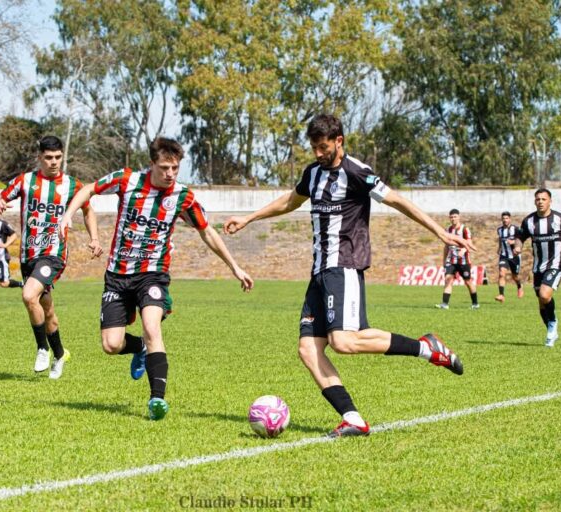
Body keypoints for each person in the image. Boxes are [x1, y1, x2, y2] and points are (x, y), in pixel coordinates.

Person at [224, 114, 471, 438]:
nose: (317, 154)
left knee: (344, 341)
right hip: (319, 272)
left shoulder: (357, 172)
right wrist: (249, 218)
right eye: (313, 147)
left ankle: (428, 348)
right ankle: (352, 418)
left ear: (339, 141)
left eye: (323, 147)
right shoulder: (312, 173)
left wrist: (441, 232)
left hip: (345, 266)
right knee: (308, 349)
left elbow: (398, 201)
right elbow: (289, 200)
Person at [60, 137, 253, 420]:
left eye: (175, 168)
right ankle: (138, 348)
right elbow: (89, 189)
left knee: (152, 327)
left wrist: (235, 267)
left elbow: (207, 231)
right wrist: (68, 214)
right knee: (111, 345)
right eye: (164, 167)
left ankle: (156, 401)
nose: (170, 174)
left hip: (153, 274)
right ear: (152, 164)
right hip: (117, 275)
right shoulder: (127, 181)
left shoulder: (183, 197)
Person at [0, 135, 102, 379]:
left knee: (28, 295)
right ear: (40, 157)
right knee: (46, 309)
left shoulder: (72, 185)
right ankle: (60, 355)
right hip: (28, 255)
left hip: (54, 253)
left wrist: (94, 238)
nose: (54, 162)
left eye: (58, 157)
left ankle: (43, 349)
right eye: (49, 158)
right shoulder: (25, 181)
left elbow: (88, 211)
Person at [514, 189, 561, 347]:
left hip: (556, 264)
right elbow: (520, 237)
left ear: (550, 201)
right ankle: (551, 328)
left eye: (544, 199)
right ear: (534, 201)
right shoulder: (529, 221)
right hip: (538, 267)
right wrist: (518, 247)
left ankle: (552, 325)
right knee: (542, 302)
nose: (541, 202)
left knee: (544, 295)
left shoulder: (560, 218)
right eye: (538, 199)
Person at [435, 209, 479, 309]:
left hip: (464, 261)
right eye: (451, 217)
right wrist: (444, 261)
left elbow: (469, 242)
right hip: (451, 261)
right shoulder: (447, 230)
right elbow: (446, 246)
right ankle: (445, 304)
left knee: (468, 282)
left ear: (459, 217)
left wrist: (463, 250)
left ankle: (475, 304)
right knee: (448, 280)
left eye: (455, 217)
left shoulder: (464, 229)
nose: (453, 219)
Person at [495, 211, 524, 302]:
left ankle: (519, 286)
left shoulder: (515, 229)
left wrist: (514, 242)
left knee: (515, 276)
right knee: (501, 273)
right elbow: (500, 239)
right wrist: (499, 248)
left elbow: (521, 240)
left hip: (514, 256)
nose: (505, 220)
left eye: (507, 218)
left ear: (510, 219)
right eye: (503, 219)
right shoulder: (499, 230)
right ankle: (501, 295)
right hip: (503, 255)